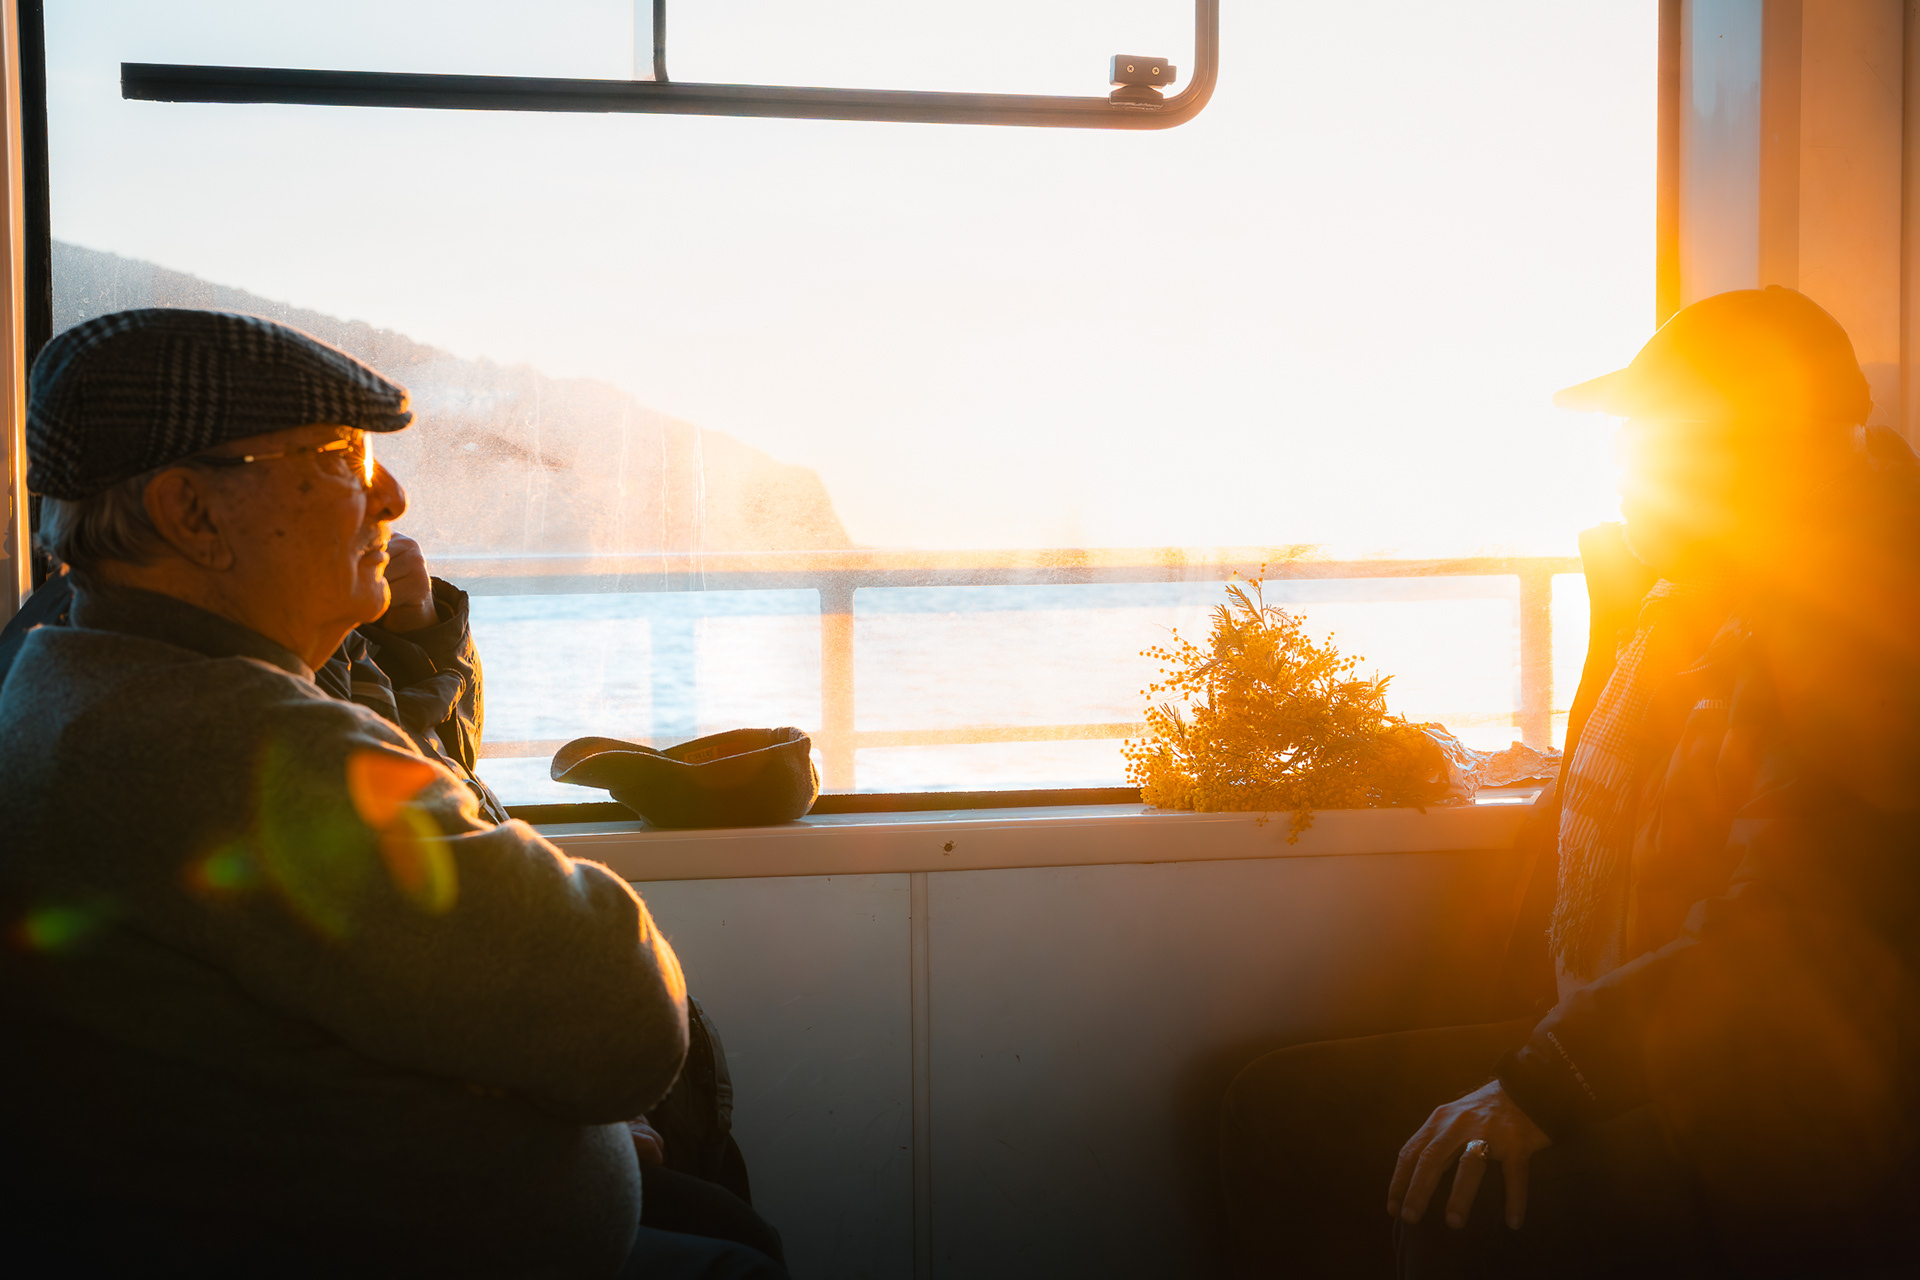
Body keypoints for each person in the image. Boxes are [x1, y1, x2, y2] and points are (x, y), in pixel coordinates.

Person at [0, 308, 786, 1278]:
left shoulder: (72, 677)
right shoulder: (230, 743)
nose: (393, 497)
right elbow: (624, 1016)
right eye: (341, 456)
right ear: (190, 514)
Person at [1219, 287, 1920, 1278]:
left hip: (1778, 1099)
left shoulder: (1856, 633)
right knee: (1272, 1106)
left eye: (1655, 440)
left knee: (1458, 1196)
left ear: (1760, 450)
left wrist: (1543, 1082)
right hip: (1660, 1031)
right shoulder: (1699, 593)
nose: (1629, 473)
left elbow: (1782, 932)